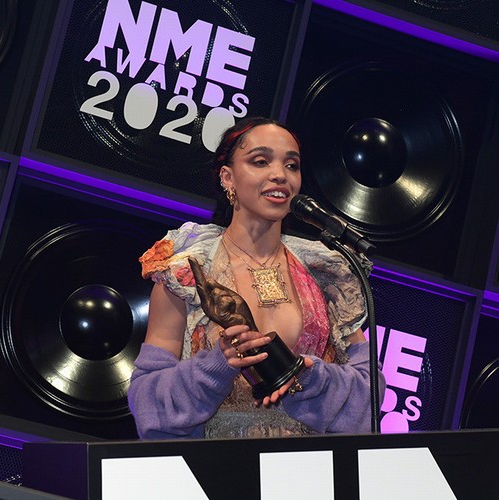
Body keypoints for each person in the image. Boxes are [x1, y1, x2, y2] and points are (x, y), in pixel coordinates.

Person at [128, 116, 385, 439]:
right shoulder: (187, 274)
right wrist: (217, 366)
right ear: (227, 177)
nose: (280, 175)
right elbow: (147, 402)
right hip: (217, 464)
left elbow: (369, 399)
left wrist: (310, 378)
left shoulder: (326, 274)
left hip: (308, 465)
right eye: (260, 161)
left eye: (291, 165)